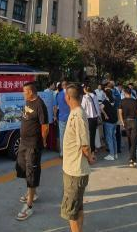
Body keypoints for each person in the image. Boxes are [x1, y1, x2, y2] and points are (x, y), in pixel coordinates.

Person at [61, 84, 96, 232]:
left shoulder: (79, 115)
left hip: (75, 172)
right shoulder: (75, 112)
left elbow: (85, 146)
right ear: (81, 97)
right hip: (73, 169)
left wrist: (90, 158)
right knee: (77, 207)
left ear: (67, 97)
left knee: (72, 212)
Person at [15, 82, 49, 221]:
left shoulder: (40, 105)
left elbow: (45, 126)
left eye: (24, 91)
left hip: (33, 145)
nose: (23, 93)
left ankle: (29, 206)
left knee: (31, 172)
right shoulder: (28, 102)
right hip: (23, 142)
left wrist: (43, 141)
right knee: (22, 168)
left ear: (30, 92)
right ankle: (32, 193)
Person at [81, 85, 100, 154]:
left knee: (88, 135)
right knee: (93, 135)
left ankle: (90, 151)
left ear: (85, 90)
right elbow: (97, 107)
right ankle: (93, 150)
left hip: (88, 118)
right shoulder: (94, 96)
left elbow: (82, 108)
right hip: (95, 118)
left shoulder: (85, 97)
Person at [54, 80, 70, 157]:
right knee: (70, 135)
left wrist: (54, 116)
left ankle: (62, 153)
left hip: (61, 117)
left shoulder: (58, 95)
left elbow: (55, 107)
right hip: (70, 117)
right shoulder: (69, 94)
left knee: (62, 136)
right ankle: (70, 152)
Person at [101, 89, 118, 160]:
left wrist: (105, 115)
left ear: (106, 94)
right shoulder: (114, 100)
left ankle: (111, 155)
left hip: (108, 122)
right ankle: (115, 154)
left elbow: (101, 108)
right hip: (114, 121)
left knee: (109, 138)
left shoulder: (105, 101)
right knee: (113, 137)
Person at [109, 81, 122, 153]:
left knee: (112, 132)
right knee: (117, 131)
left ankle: (113, 148)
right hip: (117, 113)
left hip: (113, 114)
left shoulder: (111, 92)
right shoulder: (117, 92)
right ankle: (118, 148)